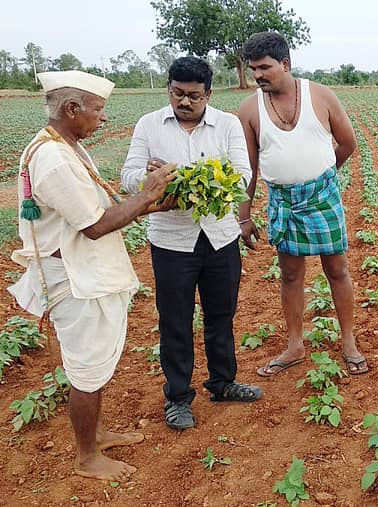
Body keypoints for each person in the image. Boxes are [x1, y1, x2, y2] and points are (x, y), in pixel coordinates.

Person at [8, 70, 176, 480]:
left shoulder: (65, 146)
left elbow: (100, 206)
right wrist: (147, 193)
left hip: (84, 267)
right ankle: (87, 457)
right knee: (86, 368)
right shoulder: (52, 159)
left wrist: (154, 204)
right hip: (75, 275)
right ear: (72, 108)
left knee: (95, 363)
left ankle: (97, 433)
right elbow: (96, 224)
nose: (103, 118)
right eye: (98, 109)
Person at [121, 56, 263, 431]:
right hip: (170, 241)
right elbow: (129, 176)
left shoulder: (228, 124)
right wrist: (151, 180)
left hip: (220, 237)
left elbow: (242, 173)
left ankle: (223, 382)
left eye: (193, 96)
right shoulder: (149, 125)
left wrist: (195, 178)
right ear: (169, 89)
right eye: (177, 94)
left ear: (208, 94)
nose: (184, 102)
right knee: (175, 321)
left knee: (221, 314)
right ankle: (178, 397)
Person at [236, 32, 367, 376]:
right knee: (291, 275)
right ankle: (295, 345)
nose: (259, 75)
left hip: (323, 196)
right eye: (254, 70)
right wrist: (243, 216)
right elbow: (248, 168)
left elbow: (348, 143)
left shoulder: (319, 95)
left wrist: (322, 179)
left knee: (337, 269)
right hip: (283, 201)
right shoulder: (249, 109)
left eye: (265, 68)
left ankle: (349, 342)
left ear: (285, 64)